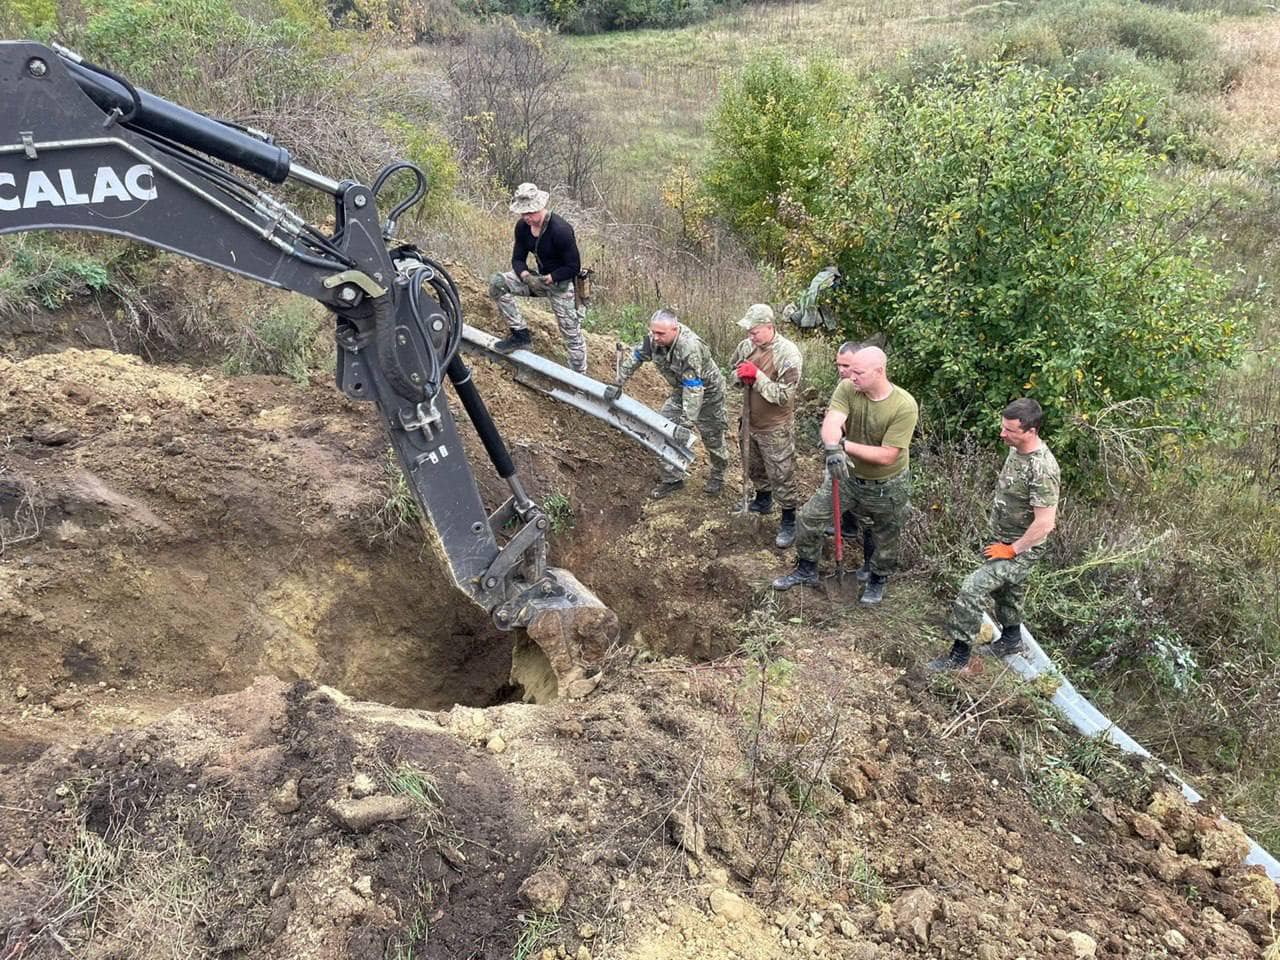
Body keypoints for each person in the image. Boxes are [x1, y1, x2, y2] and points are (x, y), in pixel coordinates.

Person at [772, 343, 917, 605]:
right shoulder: (848, 388)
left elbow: (888, 455)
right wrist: (831, 446)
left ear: (879, 371)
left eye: (859, 372)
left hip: (887, 485)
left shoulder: (903, 405)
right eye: (851, 371)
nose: (851, 376)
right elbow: (832, 421)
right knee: (809, 517)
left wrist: (844, 446)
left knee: (885, 534)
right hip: (847, 476)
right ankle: (806, 569)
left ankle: (876, 578)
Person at [927, 398, 1060, 671]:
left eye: (1010, 430)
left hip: (1024, 548)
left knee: (972, 588)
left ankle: (958, 656)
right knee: (1008, 592)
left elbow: (1045, 523)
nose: (1003, 434)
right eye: (1003, 427)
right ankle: (1011, 638)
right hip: (1004, 539)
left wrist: (1013, 550)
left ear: (1030, 431)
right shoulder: (1017, 450)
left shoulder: (1043, 468)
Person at [608, 308, 728, 500]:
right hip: (681, 391)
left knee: (712, 437)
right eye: (653, 332)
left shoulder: (689, 348)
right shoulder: (653, 340)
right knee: (662, 428)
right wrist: (617, 383)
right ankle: (672, 479)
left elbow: (695, 388)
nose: (655, 337)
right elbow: (636, 358)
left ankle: (718, 474)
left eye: (660, 334)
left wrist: (687, 424)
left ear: (675, 329)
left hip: (708, 394)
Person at [490, 182, 587, 373]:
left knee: (571, 335)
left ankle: (580, 378)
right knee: (498, 283)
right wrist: (526, 276)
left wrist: (552, 277)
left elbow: (574, 266)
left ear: (541, 207)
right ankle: (520, 335)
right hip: (536, 280)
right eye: (524, 213)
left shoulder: (560, 230)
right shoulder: (522, 227)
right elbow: (518, 259)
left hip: (561, 284)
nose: (527, 217)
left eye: (531, 213)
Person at [729, 304, 804, 548]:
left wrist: (758, 377)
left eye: (755, 331)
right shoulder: (746, 347)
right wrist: (741, 376)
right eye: (749, 331)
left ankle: (788, 519)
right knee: (755, 466)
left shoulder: (787, 353)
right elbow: (732, 372)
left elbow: (785, 396)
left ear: (770, 327)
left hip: (775, 426)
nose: (751, 336)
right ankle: (762, 500)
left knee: (781, 473)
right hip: (750, 421)